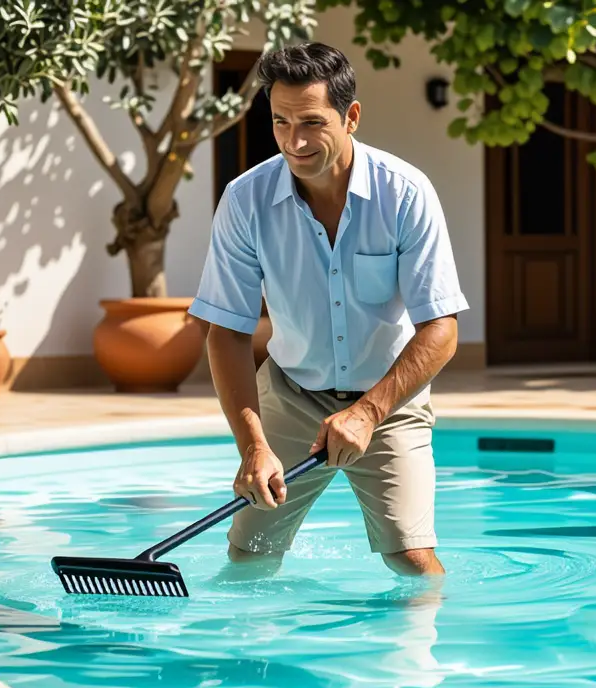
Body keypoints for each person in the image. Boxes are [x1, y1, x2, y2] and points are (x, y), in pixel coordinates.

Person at [188, 41, 468, 577]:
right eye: (280, 122)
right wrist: (253, 448)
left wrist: (367, 412)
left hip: (389, 401)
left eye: (312, 122)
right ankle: (251, 656)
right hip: (290, 393)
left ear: (352, 117)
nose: (295, 141)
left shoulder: (406, 194)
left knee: (410, 557)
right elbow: (225, 332)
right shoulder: (244, 201)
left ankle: (422, 657)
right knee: (249, 555)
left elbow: (441, 328)